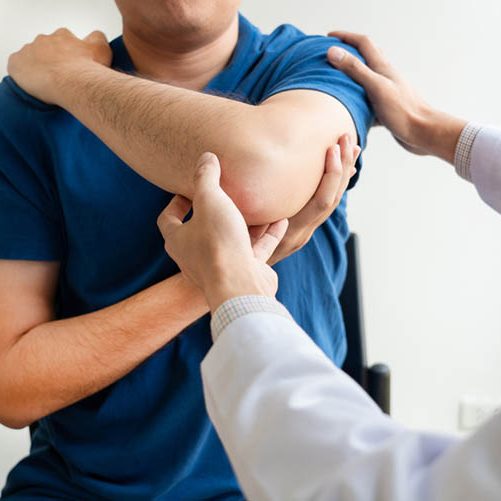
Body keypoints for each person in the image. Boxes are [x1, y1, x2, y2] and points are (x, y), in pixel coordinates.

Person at [0, 3, 372, 499]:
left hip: (292, 486)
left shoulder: (318, 65)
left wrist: (70, 77)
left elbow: (259, 173)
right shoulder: (30, 108)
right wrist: (210, 278)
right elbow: (12, 383)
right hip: (83, 489)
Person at [155, 33, 501, 501]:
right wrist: (434, 129)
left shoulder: (309, 60)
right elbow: (20, 390)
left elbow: (256, 177)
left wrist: (233, 287)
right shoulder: (29, 114)